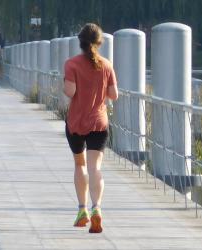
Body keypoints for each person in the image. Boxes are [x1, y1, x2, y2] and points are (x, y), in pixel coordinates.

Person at [63, 23, 118, 234]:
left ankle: (82, 209)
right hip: (99, 122)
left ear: (80, 42)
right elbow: (114, 95)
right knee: (95, 167)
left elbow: (70, 91)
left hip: (76, 122)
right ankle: (97, 208)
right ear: (99, 42)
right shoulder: (107, 65)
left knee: (80, 165)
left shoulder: (71, 64)